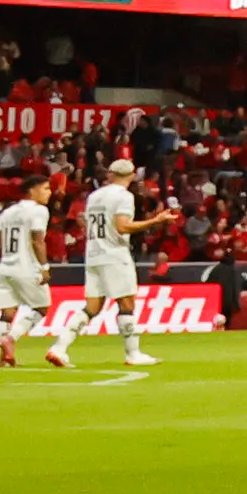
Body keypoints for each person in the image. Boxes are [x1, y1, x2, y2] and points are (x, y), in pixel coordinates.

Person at [76, 158, 169, 370]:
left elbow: (87, 224)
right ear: (132, 176)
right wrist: (155, 221)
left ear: (110, 174)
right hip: (114, 253)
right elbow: (123, 226)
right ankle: (133, 353)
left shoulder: (94, 196)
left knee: (92, 307)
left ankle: (59, 347)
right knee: (126, 303)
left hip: (93, 253)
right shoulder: (124, 196)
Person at [0, 175, 58, 368]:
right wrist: (44, 267)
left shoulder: (8, 211)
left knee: (7, 314)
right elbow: (37, 240)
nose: (49, 193)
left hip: (5, 268)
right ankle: (10, 338)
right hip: (26, 268)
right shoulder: (39, 210)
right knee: (41, 308)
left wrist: (13, 250)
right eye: (45, 188)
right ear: (32, 190)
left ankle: (4, 360)